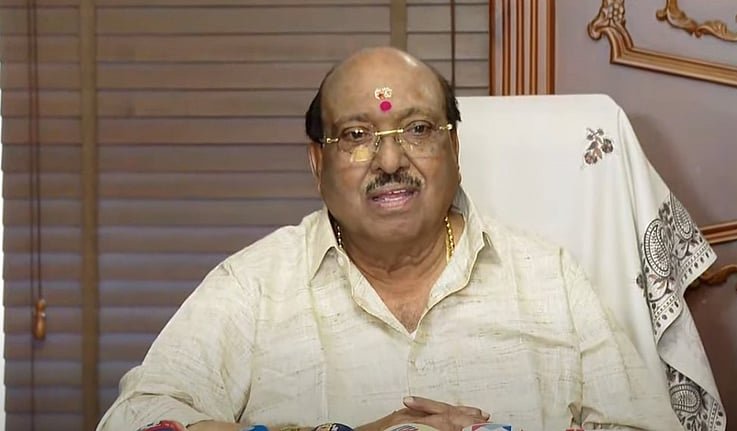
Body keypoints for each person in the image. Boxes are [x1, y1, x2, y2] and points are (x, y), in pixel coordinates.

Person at [97, 47, 684, 431]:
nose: (390, 160)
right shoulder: (251, 287)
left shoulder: (548, 276)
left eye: (418, 129)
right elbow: (136, 419)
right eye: (357, 135)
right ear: (316, 164)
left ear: (454, 148)